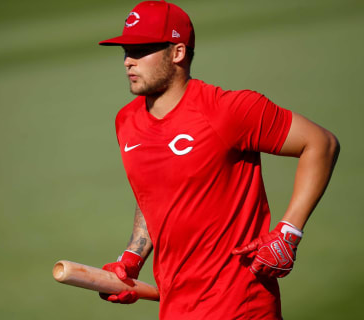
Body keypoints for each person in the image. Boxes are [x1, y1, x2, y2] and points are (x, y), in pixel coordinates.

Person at [97, 1, 340, 319]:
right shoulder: (126, 122)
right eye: (126, 50)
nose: (128, 61)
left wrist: (288, 233)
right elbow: (154, 191)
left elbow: (321, 143)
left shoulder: (228, 110)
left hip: (242, 307)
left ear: (178, 53)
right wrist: (132, 257)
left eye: (141, 50)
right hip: (176, 309)